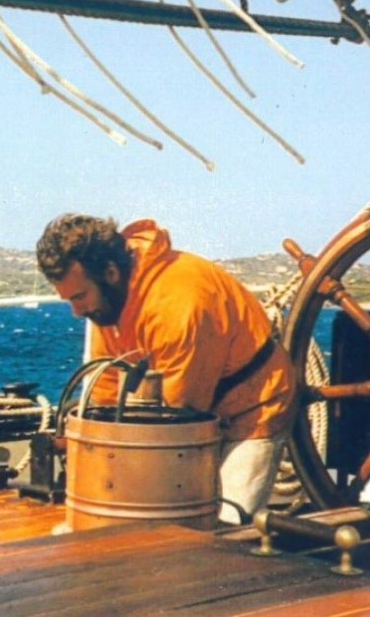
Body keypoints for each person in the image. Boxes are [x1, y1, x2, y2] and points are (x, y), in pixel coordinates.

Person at [36, 214, 297, 523]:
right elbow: (106, 386)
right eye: (69, 300)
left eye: (80, 297)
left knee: (226, 528)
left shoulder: (178, 303)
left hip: (253, 410)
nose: (77, 312)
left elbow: (179, 416)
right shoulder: (110, 301)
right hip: (192, 414)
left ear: (110, 273)